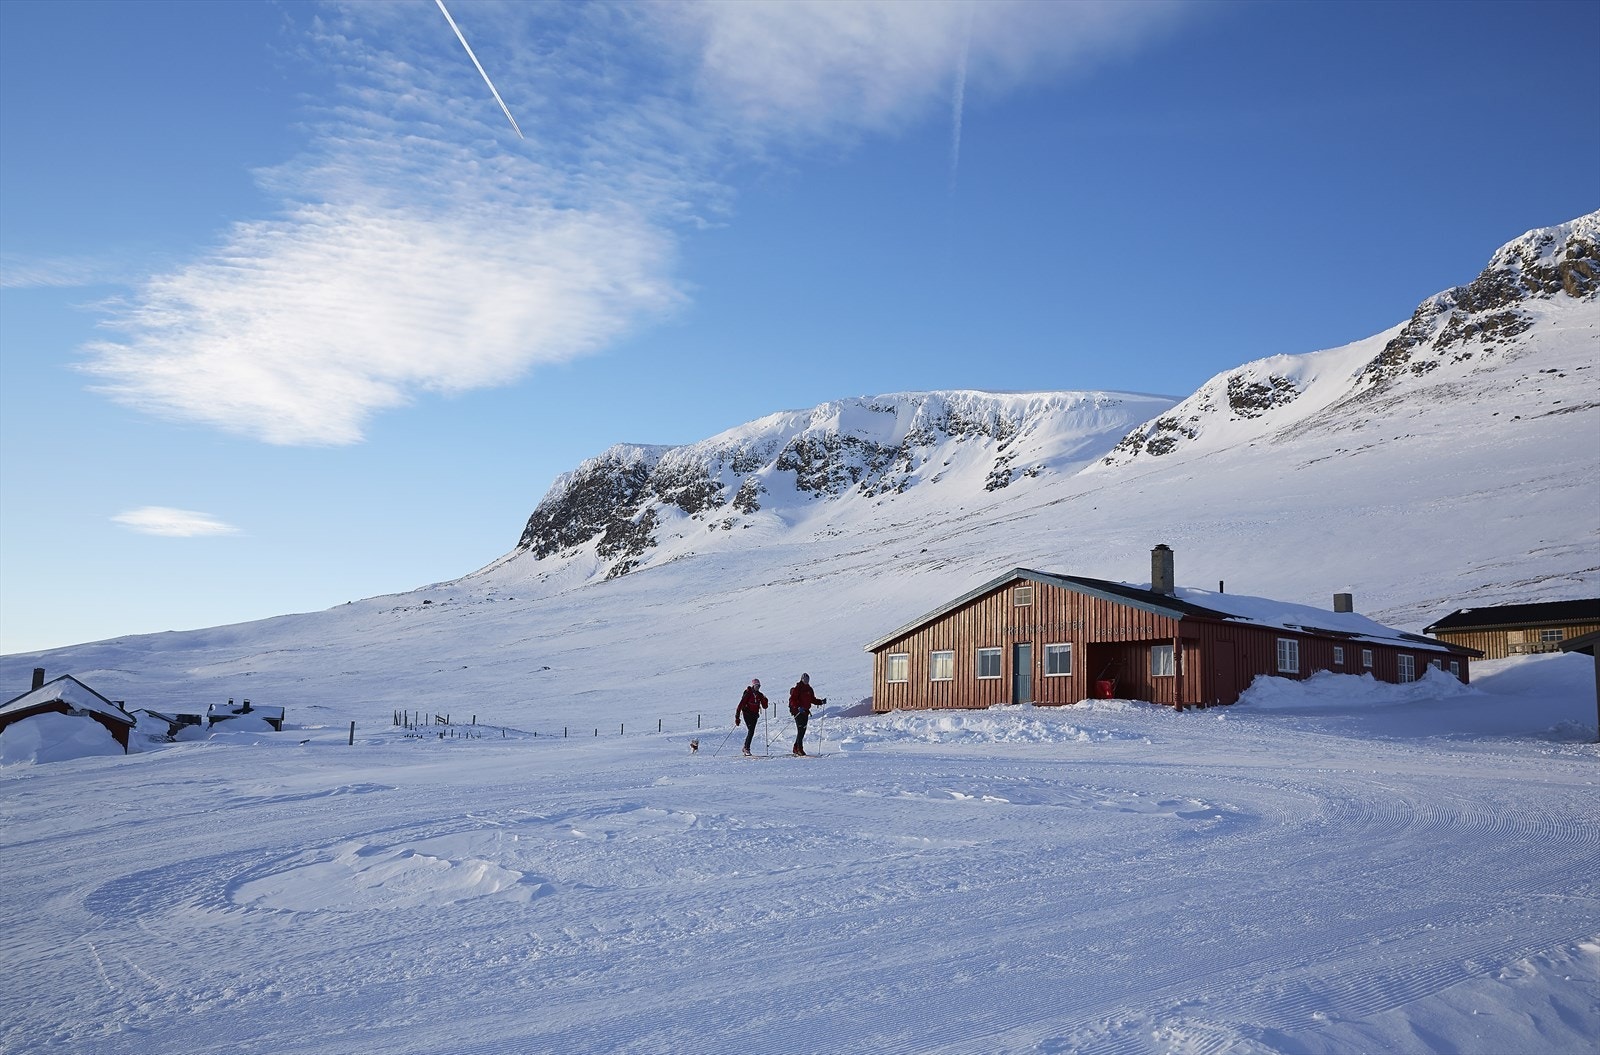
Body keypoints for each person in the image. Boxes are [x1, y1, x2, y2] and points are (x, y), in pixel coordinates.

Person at [788, 673, 822, 756]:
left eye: (807, 679)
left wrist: (821, 702)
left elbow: (812, 699)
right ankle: (799, 749)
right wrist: (798, 707)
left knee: (802, 730)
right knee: (800, 730)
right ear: (801, 679)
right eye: (804, 679)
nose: (806, 681)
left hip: (805, 712)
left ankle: (796, 747)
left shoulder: (809, 689)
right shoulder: (798, 688)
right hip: (798, 712)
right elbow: (792, 700)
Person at [735, 678, 768, 756]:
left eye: (759, 686)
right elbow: (740, 705)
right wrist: (737, 717)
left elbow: (765, 706)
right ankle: (746, 748)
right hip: (747, 714)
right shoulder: (748, 694)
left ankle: (745, 747)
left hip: (755, 715)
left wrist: (765, 700)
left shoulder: (760, 695)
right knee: (751, 731)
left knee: (751, 731)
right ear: (753, 686)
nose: (758, 687)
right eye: (756, 686)